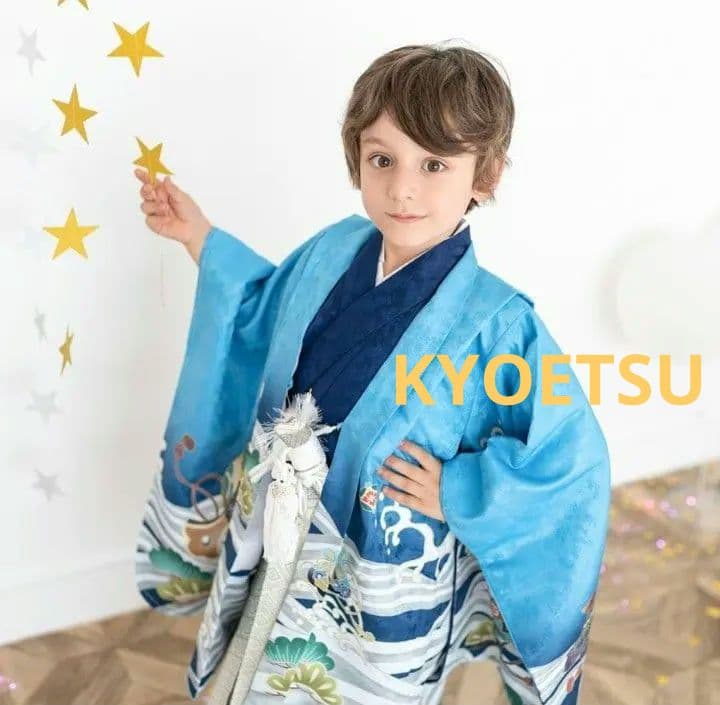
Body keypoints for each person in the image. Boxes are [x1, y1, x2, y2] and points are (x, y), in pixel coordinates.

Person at [133, 43, 611, 705]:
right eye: (382, 159)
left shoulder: (501, 326)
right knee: (250, 670)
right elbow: (265, 309)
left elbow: (570, 456)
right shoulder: (335, 249)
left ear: (486, 174)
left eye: (434, 164)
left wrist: (460, 489)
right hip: (278, 523)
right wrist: (201, 238)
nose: (402, 188)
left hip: (378, 577)